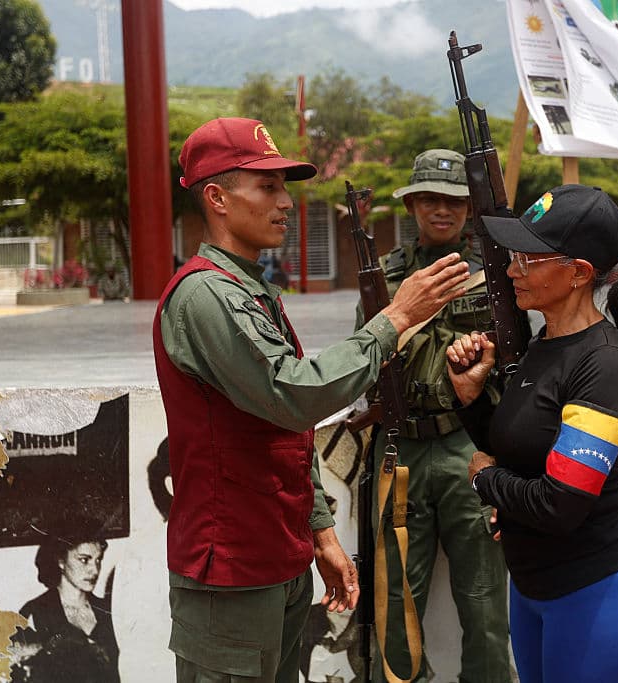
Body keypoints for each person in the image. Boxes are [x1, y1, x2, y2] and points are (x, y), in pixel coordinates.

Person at [154, 118, 471, 683]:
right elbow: (295, 395)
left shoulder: (249, 290)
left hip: (277, 557)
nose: (286, 204)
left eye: (285, 188)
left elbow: (283, 438)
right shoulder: (206, 295)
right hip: (230, 572)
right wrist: (397, 317)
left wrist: (320, 532)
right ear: (218, 198)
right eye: (268, 187)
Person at [446, 184, 618, 683]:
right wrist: (472, 398)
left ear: (579, 273)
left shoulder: (604, 365)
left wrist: (484, 482)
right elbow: (520, 456)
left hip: (594, 598)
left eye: (529, 259)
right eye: (513, 256)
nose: (510, 270)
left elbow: (559, 503)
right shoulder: (542, 343)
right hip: (532, 591)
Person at [361, 149, 511, 682]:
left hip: (467, 445)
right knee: (393, 598)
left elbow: (515, 370)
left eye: (452, 200)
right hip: (399, 443)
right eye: (429, 198)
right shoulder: (383, 279)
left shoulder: (496, 276)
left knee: (485, 599)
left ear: (469, 208)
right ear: (412, 205)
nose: (440, 210)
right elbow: (363, 359)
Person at [11, 535, 119, 682]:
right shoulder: (36, 612)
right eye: (84, 560)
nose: (94, 570)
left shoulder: (108, 610)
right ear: (61, 560)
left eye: (98, 560)